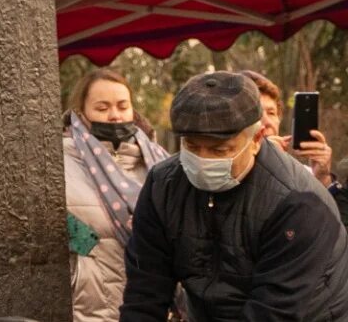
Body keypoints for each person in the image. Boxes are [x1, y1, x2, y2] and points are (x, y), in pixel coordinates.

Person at [120, 71, 348, 321]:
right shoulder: (162, 187)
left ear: (257, 139)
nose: (203, 160)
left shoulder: (299, 203)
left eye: (219, 150)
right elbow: (144, 293)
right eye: (192, 147)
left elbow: (274, 312)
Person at [63, 69, 169, 322]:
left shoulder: (159, 161)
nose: (114, 115)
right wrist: (86, 250)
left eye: (123, 106)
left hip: (152, 303)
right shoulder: (59, 162)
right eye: (102, 108)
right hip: (91, 304)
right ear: (81, 113)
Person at [244, 69, 348, 225]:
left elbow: (333, 233)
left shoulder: (304, 175)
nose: (267, 122)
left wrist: (322, 180)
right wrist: (265, 164)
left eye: (271, 113)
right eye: (256, 113)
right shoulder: (221, 172)